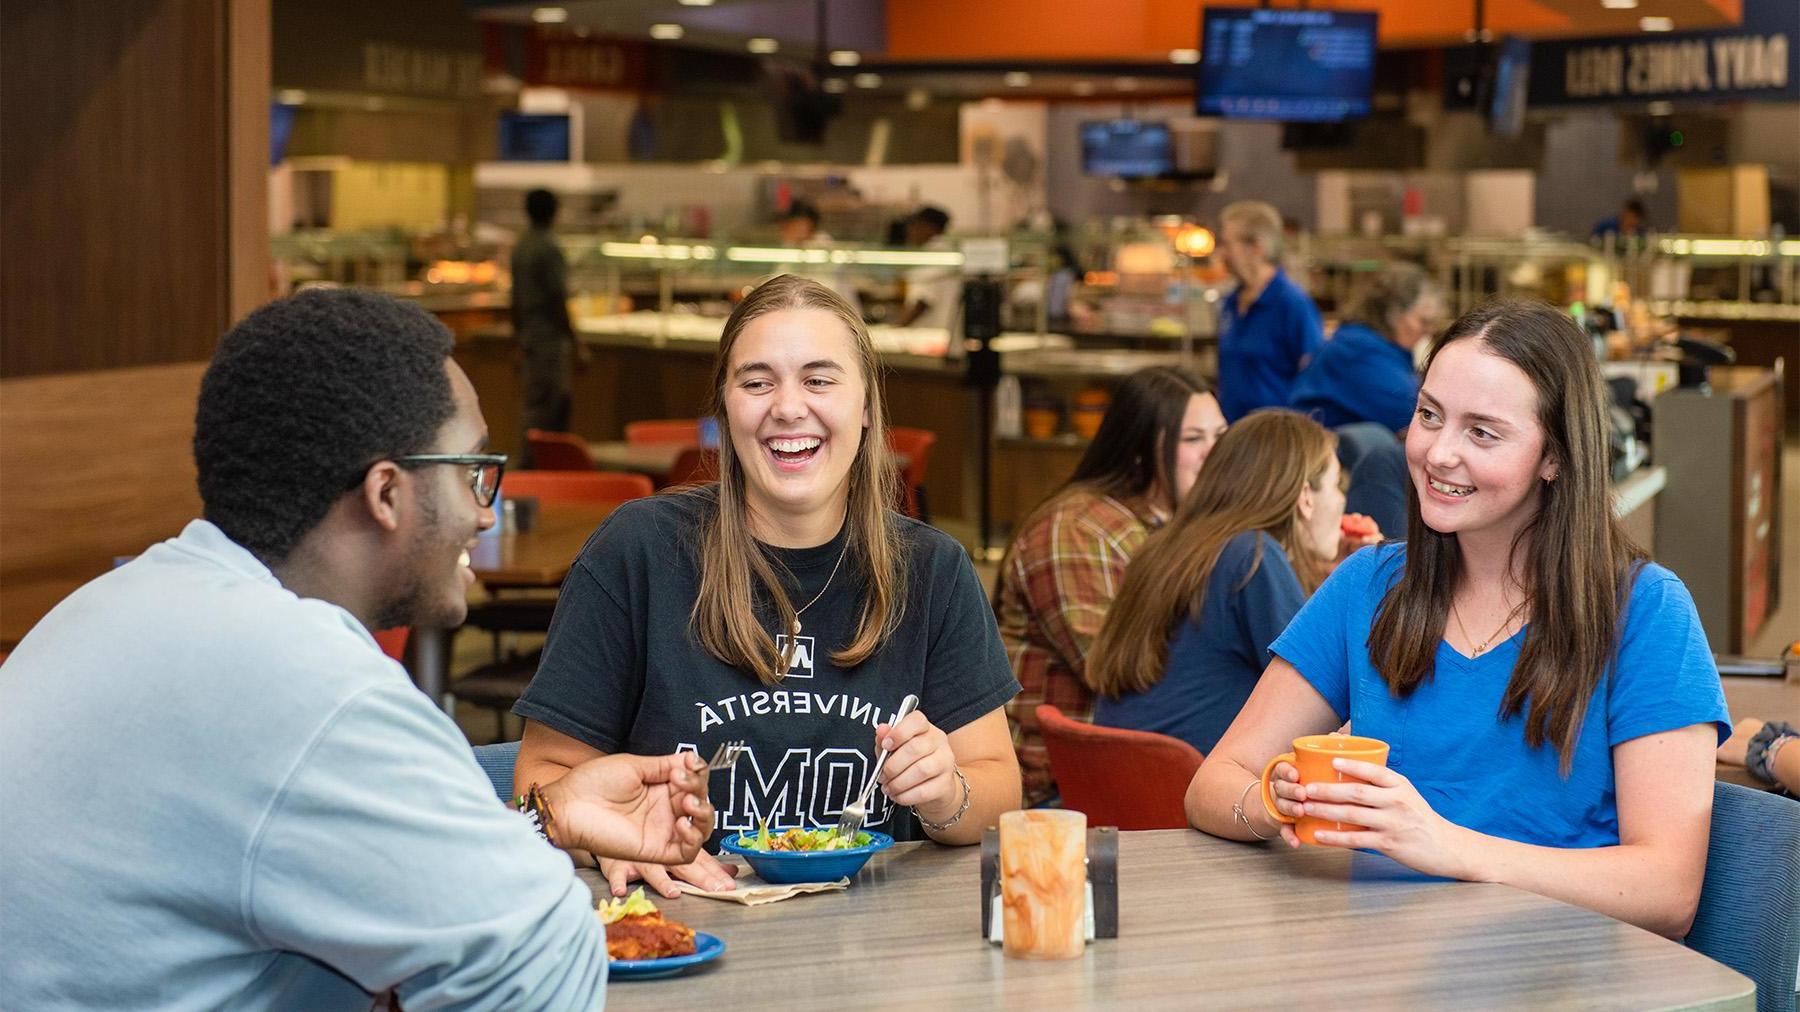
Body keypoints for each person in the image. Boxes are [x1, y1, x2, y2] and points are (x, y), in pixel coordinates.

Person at [0, 289, 715, 1008]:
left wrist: (542, 819)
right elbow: (541, 964)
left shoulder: (108, 608)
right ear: (386, 494)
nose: (485, 509)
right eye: (472, 470)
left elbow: (284, 842)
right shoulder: (312, 689)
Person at [1186, 299, 1730, 940]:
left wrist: (1448, 846)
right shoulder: (1368, 584)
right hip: (1382, 963)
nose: (1439, 454)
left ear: (1555, 458)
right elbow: (1211, 785)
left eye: (1483, 432)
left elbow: (1667, 891)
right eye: (1429, 416)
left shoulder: (1647, 611)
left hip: (1562, 973)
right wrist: (1273, 802)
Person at [514, 274, 1021, 898]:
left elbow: (999, 789)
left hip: (881, 945)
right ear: (725, 409)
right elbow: (540, 780)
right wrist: (601, 844)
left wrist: (947, 793)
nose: (787, 406)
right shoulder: (638, 550)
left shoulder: (933, 568)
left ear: (865, 408)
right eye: (756, 382)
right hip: (685, 923)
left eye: (819, 379)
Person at [994, 366, 1227, 805]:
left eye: (1221, 436)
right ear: (1140, 450)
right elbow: (1113, 672)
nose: (1215, 455)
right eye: (1193, 439)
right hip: (1064, 788)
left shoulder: (1185, 524)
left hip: (1153, 761)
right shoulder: (1077, 529)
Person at [1086, 411, 1344, 756]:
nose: (1343, 500)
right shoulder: (1252, 555)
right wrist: (1358, 585)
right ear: (1305, 497)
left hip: (1120, 789)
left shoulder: (1167, 546)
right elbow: (1327, 700)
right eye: (1337, 485)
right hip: (1194, 796)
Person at [1290, 263, 1445, 535]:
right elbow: (1417, 411)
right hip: (1313, 476)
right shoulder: (1359, 351)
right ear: (1394, 314)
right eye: (1422, 321)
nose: (1427, 332)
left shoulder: (1372, 347)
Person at [1215, 199, 1324, 423]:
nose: (1221, 253)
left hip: (1275, 438)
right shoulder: (1230, 303)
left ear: (1256, 247)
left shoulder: (1292, 304)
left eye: (1227, 244)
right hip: (1235, 433)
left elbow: (1314, 378)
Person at [512, 187, 583, 454]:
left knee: (534, 404)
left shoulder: (521, 245)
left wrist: (517, 340)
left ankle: (532, 466)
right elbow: (557, 299)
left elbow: (515, 299)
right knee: (549, 409)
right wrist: (577, 343)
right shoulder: (549, 247)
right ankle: (539, 466)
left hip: (530, 337)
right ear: (554, 212)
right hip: (549, 340)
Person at [779, 199, 862, 316]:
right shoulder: (791, 248)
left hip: (833, 314)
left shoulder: (824, 250)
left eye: (794, 225)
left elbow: (820, 292)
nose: (787, 231)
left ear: (809, 225)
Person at [894, 206, 960, 331]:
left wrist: (896, 328)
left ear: (930, 227)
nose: (910, 231)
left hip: (930, 334)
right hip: (943, 332)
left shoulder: (935, 255)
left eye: (914, 225)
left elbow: (923, 301)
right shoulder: (947, 250)